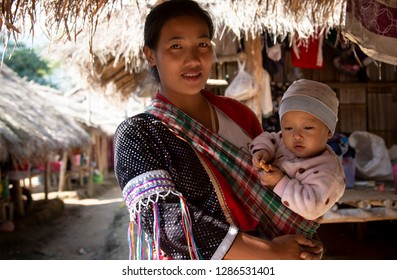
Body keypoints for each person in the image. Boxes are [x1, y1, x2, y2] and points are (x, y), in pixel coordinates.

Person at [114, 0, 323, 260]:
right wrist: (270, 252)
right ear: (150, 54)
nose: (192, 59)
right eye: (176, 46)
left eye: (202, 44)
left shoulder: (240, 115)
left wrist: (302, 243)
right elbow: (166, 223)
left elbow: (277, 187)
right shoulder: (138, 133)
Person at [250, 79, 346, 220]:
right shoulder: (282, 140)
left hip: (287, 230)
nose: (296, 136)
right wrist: (263, 151)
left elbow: (312, 207)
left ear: (329, 131)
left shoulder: (329, 172)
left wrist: (280, 182)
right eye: (288, 128)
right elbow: (267, 138)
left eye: (307, 128)